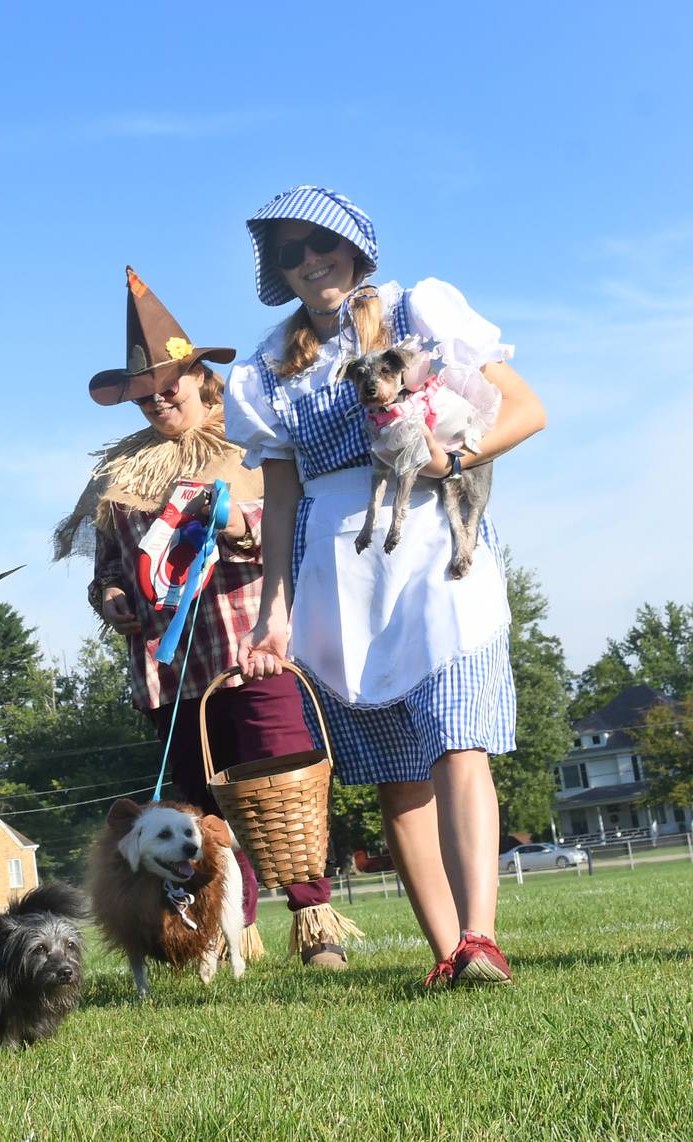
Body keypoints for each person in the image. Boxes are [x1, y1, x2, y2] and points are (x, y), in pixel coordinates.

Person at [226, 187, 547, 986]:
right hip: (337, 561)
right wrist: (274, 612)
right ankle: (449, 954)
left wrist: (457, 461)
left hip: (438, 540)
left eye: (320, 242)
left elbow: (526, 410)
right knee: (396, 769)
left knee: (457, 733)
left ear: (356, 246)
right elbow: (282, 496)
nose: (309, 261)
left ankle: (482, 936)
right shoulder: (267, 363)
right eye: (289, 252)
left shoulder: (419, 311)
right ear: (277, 270)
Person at [54, 266, 362, 967]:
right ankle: (232, 937)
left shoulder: (247, 449)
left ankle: (316, 927)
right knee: (200, 814)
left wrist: (234, 532)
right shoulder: (119, 478)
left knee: (279, 788)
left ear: (200, 378)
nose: (161, 404)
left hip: (250, 650)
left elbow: (291, 527)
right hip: (171, 672)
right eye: (145, 398)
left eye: (171, 388)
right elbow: (106, 571)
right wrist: (112, 601)